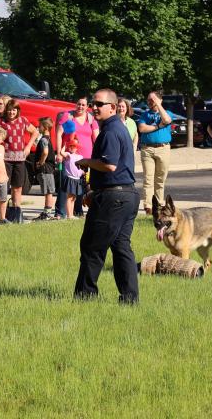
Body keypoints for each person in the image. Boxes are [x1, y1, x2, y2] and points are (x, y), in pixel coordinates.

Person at [74, 88, 140, 304]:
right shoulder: (118, 128)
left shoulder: (111, 130)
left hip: (114, 199)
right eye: (93, 103)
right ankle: (130, 299)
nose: (94, 108)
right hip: (126, 195)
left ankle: (85, 296)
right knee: (121, 247)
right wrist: (94, 190)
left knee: (92, 247)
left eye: (99, 104)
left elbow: (109, 165)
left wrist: (85, 161)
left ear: (112, 107)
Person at [0, 99, 38, 220]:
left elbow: (35, 132)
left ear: (18, 111)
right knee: (4, 187)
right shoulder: (1, 121)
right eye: (10, 110)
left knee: (18, 187)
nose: (12, 112)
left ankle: (17, 212)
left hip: (20, 159)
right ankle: (4, 214)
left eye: (14, 110)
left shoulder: (23, 121)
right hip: (5, 160)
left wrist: (28, 147)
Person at [55, 96, 99, 218]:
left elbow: (96, 138)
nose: (80, 107)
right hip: (69, 157)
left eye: (83, 105)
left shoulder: (91, 119)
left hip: (85, 159)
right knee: (66, 185)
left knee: (81, 185)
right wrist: (59, 153)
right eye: (78, 104)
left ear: (87, 106)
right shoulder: (67, 116)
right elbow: (59, 134)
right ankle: (60, 212)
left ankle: (77, 211)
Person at [135, 91, 173, 214]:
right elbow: (142, 128)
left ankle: (160, 203)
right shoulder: (145, 115)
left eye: (153, 100)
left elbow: (166, 120)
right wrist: (158, 127)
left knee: (160, 178)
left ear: (160, 100)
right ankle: (148, 206)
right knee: (148, 178)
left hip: (163, 148)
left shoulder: (166, 113)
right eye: (148, 100)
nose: (150, 102)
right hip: (147, 149)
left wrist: (159, 105)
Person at [32, 117, 57, 220]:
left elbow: (45, 152)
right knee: (49, 192)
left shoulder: (43, 139)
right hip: (50, 169)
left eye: (40, 125)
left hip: (45, 169)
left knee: (47, 192)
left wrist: (41, 162)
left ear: (45, 127)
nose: (38, 127)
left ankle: (46, 214)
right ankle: (48, 213)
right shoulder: (49, 138)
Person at [60, 135, 86, 218]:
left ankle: (71, 214)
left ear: (77, 148)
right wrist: (64, 144)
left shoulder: (79, 156)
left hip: (77, 179)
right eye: (71, 146)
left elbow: (82, 167)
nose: (72, 148)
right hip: (70, 178)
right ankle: (69, 215)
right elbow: (61, 152)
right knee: (69, 196)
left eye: (74, 146)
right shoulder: (68, 155)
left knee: (74, 197)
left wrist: (82, 172)